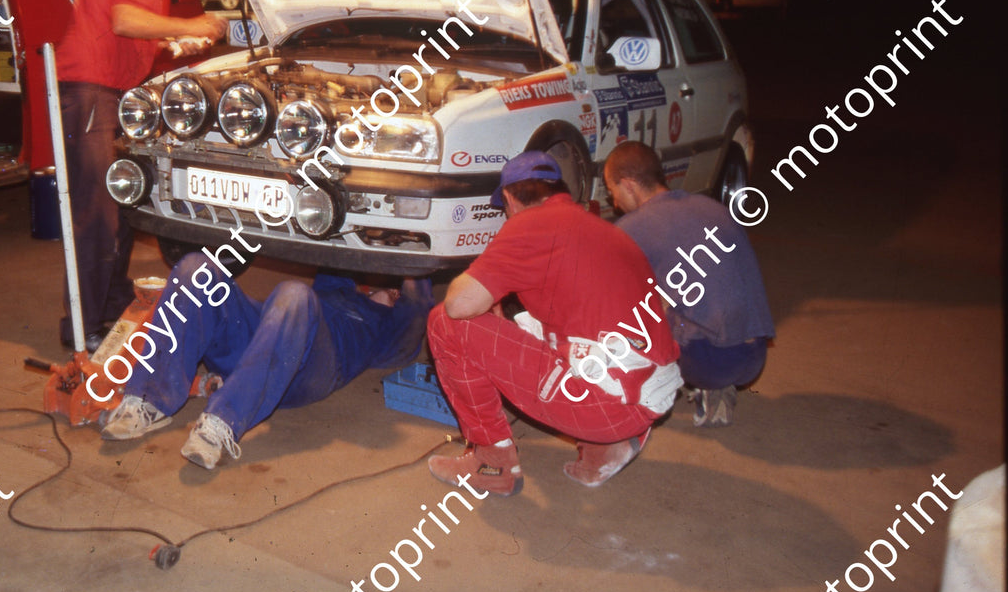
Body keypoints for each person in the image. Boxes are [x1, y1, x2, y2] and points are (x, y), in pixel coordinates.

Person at [426, 152, 683, 493]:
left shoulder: (530, 224)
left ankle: (492, 464)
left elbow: (459, 305)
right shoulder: (597, 227)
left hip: (605, 404)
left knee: (444, 321)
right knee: (539, 329)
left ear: (509, 199)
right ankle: (608, 446)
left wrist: (486, 282)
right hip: (644, 398)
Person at [54, 0, 227, 351]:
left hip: (111, 95)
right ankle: (85, 327)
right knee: (98, 215)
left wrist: (172, 43)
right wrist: (191, 26)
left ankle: (110, 308)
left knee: (121, 206)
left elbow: (133, 34)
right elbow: (124, 20)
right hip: (93, 93)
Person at [96, 252, 432, 470]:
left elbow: (417, 302)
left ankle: (222, 422)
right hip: (263, 337)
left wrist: (414, 252)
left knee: (295, 293)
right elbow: (336, 242)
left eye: (395, 291)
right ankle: (147, 400)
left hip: (310, 366)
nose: (389, 289)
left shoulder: (386, 329)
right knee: (195, 268)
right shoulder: (339, 287)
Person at [603, 141, 774, 426]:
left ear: (629, 184)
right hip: (755, 356)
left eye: (613, 192)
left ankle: (654, 390)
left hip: (711, 361)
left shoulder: (632, 227)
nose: (615, 203)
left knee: (621, 311)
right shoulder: (713, 207)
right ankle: (714, 382)